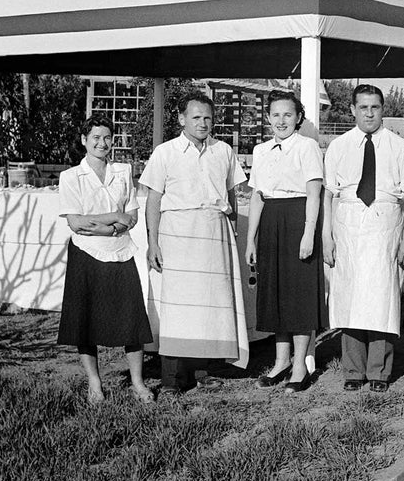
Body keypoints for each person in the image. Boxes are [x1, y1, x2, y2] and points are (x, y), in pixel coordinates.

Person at [139, 92, 249, 395]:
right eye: (196, 117)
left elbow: (230, 196)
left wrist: (233, 231)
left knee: (208, 307)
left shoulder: (223, 151)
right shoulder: (165, 152)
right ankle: (173, 380)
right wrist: (153, 242)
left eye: (208, 118)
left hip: (214, 232)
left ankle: (202, 372)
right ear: (181, 118)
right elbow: (154, 200)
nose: (203, 123)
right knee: (179, 308)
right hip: (177, 234)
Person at [323, 84, 404, 392]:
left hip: (384, 224)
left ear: (382, 110)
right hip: (348, 224)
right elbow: (328, 195)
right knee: (349, 296)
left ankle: (379, 371)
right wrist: (326, 236)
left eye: (375, 107)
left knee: (382, 298)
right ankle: (353, 370)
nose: (369, 113)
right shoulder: (339, 146)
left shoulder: (399, 146)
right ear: (352, 109)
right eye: (363, 107)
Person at [57, 114, 153, 405]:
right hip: (86, 253)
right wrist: (113, 217)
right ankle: (95, 384)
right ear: (84, 141)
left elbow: (133, 216)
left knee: (131, 319)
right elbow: (75, 223)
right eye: (95, 137)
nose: (102, 143)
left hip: (121, 251)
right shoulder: (71, 177)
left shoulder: (123, 171)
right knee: (85, 322)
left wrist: (109, 228)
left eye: (107, 137)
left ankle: (137, 382)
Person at [245, 90, 326, 393]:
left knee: (299, 295)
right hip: (271, 222)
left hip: (298, 219)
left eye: (288, 115)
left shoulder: (307, 147)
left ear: (299, 118)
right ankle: (280, 362)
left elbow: (314, 193)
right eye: (276, 115)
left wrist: (308, 232)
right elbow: (257, 196)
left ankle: (300, 366)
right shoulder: (261, 150)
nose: (281, 121)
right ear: (268, 118)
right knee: (277, 293)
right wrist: (251, 240)